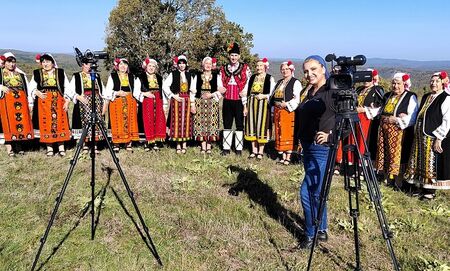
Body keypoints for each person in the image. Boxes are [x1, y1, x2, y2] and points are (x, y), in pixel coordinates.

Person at [296, 55, 334, 249]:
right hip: (308, 147)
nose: (309, 74)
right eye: (305, 71)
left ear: (323, 68)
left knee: (307, 192)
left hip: (322, 149)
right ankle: (322, 228)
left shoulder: (331, 91)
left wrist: (331, 136)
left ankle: (310, 235)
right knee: (317, 191)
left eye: (313, 69)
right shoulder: (309, 91)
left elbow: (347, 120)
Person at [405, 71, 450, 199]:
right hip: (420, 135)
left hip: (432, 136)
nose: (433, 83)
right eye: (432, 81)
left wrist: (439, 138)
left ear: (442, 83)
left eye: (436, 81)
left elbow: (447, 120)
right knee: (419, 161)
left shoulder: (446, 98)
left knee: (430, 163)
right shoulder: (426, 96)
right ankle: (419, 186)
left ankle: (430, 191)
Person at [335, 69, 384, 173]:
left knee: (362, 141)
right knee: (352, 139)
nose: (366, 81)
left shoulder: (377, 90)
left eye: (368, 78)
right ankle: (350, 164)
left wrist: (365, 109)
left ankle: (362, 168)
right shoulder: (359, 89)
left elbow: (379, 107)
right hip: (353, 117)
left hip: (366, 119)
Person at [375, 72, 418, 187]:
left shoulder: (410, 96)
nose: (395, 86)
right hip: (384, 131)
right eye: (393, 83)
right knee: (385, 154)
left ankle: (399, 181)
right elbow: (379, 110)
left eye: (398, 83)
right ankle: (387, 178)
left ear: (404, 84)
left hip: (400, 133)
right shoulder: (388, 95)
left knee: (400, 156)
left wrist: (398, 120)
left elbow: (413, 116)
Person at [29, 53, 71, 156]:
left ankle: (61, 148)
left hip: (59, 101)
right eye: (43, 62)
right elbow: (30, 87)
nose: (45, 64)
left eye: (48, 61)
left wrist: (67, 100)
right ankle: (50, 148)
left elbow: (67, 87)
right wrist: (36, 92)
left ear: (52, 62)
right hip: (44, 103)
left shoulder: (60, 72)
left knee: (60, 124)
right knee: (46, 124)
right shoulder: (37, 73)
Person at [66, 59, 105, 153]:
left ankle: (94, 145)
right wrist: (78, 97)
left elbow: (102, 90)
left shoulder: (96, 75)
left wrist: (104, 103)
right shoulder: (77, 76)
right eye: (87, 64)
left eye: (91, 65)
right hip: (83, 103)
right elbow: (69, 90)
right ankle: (85, 145)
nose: (89, 66)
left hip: (97, 103)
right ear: (82, 65)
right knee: (85, 123)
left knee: (95, 123)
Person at [220, 42, 251, 155]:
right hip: (227, 99)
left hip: (239, 100)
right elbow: (220, 80)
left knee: (239, 124)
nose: (233, 57)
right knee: (227, 123)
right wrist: (220, 87)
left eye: (235, 55)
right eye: (232, 55)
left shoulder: (245, 68)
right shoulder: (223, 68)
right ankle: (226, 148)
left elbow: (248, 80)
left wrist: (245, 91)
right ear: (229, 56)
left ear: (239, 56)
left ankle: (238, 149)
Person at [0, 52, 34, 156]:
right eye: (9, 62)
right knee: (8, 125)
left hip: (21, 103)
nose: (11, 64)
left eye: (13, 62)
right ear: (5, 62)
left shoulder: (21, 75)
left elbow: (27, 89)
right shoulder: (0, 73)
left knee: (20, 124)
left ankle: (19, 146)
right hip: (6, 103)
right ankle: (9, 148)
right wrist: (0, 87)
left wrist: (30, 103)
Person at [103, 58, 139, 152]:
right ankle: (116, 143)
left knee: (130, 121)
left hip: (130, 101)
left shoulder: (132, 76)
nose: (123, 66)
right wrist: (116, 93)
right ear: (117, 66)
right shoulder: (113, 76)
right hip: (117, 101)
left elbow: (136, 89)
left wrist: (136, 99)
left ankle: (128, 143)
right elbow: (108, 90)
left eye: (125, 65)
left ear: (127, 67)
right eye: (121, 64)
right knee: (117, 121)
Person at [242, 58, 275, 159]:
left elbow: (273, 93)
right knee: (252, 126)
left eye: (261, 66)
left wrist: (264, 96)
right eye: (257, 66)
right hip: (251, 105)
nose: (258, 67)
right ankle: (254, 150)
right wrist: (245, 106)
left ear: (265, 67)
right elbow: (245, 91)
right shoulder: (251, 78)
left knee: (262, 127)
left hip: (263, 106)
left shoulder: (270, 78)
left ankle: (260, 151)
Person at [271, 61, 302, 165]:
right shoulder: (279, 82)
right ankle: (282, 156)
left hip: (288, 112)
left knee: (288, 133)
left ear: (291, 70)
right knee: (280, 132)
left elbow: (297, 98)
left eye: (287, 69)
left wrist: (286, 104)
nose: (284, 71)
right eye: (283, 69)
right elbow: (273, 95)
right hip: (278, 111)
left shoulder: (295, 82)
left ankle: (288, 157)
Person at [191, 57, 224, 154]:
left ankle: (209, 146)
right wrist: (192, 104)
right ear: (203, 65)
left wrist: (211, 94)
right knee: (201, 124)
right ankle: (203, 146)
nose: (208, 65)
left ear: (212, 65)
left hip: (212, 103)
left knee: (211, 125)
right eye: (206, 63)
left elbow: (221, 91)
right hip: (199, 102)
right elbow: (192, 91)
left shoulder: (216, 76)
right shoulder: (197, 76)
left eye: (210, 64)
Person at [162, 55, 193, 154]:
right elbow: (165, 86)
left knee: (186, 123)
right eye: (180, 63)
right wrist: (173, 95)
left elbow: (192, 89)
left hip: (187, 101)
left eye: (183, 63)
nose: (182, 65)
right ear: (177, 64)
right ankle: (178, 145)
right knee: (177, 122)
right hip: (177, 101)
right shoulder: (173, 74)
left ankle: (184, 144)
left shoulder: (189, 75)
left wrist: (192, 102)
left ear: (186, 64)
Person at [134, 57, 166, 151]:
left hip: (158, 101)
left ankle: (155, 141)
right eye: (149, 66)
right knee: (147, 120)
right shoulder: (140, 77)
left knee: (158, 119)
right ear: (146, 67)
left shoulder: (159, 78)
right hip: (146, 101)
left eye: (153, 66)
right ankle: (147, 142)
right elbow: (136, 91)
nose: (151, 68)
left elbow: (163, 91)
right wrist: (144, 94)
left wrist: (164, 103)